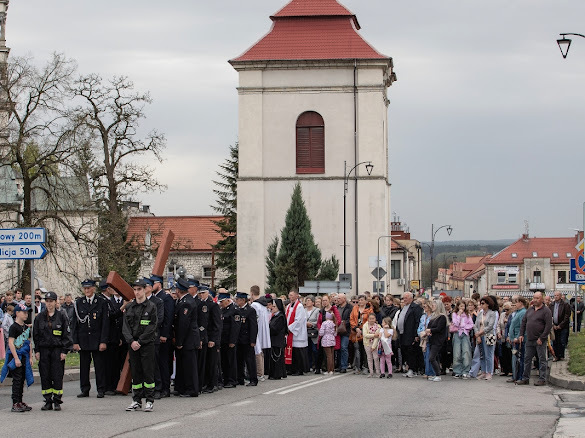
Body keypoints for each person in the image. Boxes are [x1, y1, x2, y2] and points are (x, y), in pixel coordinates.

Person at [33, 291, 72, 411]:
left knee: (57, 375)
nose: (49, 304)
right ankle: (48, 400)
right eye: (47, 301)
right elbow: (36, 335)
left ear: (56, 302)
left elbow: (66, 335)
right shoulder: (39, 317)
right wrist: (37, 351)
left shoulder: (61, 316)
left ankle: (57, 400)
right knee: (45, 375)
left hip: (57, 350)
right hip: (44, 350)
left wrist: (64, 351)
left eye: (51, 301)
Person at [123, 279, 158, 412]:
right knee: (136, 372)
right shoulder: (129, 307)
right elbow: (125, 327)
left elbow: (152, 326)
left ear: (144, 290)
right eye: (135, 289)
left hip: (146, 344)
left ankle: (149, 400)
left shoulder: (151, 306)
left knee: (148, 372)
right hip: (133, 344)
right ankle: (136, 400)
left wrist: (140, 341)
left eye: (139, 289)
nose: (137, 292)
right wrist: (131, 341)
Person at [71, 279, 110, 398]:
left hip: (97, 339)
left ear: (94, 288)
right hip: (83, 340)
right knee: (84, 366)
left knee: (99, 366)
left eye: (89, 288)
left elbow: (105, 324)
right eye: (85, 288)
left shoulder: (101, 302)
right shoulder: (79, 303)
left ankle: (101, 389)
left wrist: (103, 341)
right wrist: (75, 341)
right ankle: (84, 389)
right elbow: (74, 324)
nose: (87, 290)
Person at [1, 304, 33, 412]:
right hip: (15, 355)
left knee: (22, 378)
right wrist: (16, 358)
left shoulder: (26, 327)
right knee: (17, 379)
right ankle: (15, 402)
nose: (26, 314)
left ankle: (20, 400)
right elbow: (11, 343)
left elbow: (28, 343)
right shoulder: (13, 327)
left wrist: (30, 357)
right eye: (24, 312)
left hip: (24, 356)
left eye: (27, 313)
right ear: (17, 313)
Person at [517, 292, 553, 386]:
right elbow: (524, 322)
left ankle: (542, 379)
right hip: (529, 339)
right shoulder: (530, 309)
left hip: (540, 339)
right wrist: (521, 334)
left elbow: (548, 326)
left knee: (542, 359)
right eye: (534, 298)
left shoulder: (546, 311)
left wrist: (542, 337)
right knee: (527, 359)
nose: (535, 300)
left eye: (537, 298)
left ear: (542, 299)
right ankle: (525, 378)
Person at [173, 278, 200, 397]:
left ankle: (192, 389)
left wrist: (179, 341)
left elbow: (183, 324)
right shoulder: (182, 301)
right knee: (183, 364)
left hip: (188, 339)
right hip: (186, 339)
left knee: (189, 365)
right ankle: (182, 387)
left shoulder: (187, 303)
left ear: (178, 290)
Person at [100, 281, 127, 396]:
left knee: (116, 363)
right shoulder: (104, 301)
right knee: (109, 364)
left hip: (117, 337)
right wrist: (123, 307)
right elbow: (111, 317)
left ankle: (116, 385)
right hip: (109, 337)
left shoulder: (108, 301)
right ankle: (109, 386)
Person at [152, 274, 175, 398]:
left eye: (153, 283)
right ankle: (158, 386)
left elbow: (168, 317)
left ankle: (165, 388)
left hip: (164, 336)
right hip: (155, 335)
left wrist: (164, 334)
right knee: (157, 362)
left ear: (159, 284)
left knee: (164, 362)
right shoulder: (154, 298)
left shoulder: (166, 298)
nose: (151, 286)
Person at [197, 286, 222, 394]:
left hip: (211, 337)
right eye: (200, 293)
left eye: (203, 293)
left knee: (212, 362)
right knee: (206, 362)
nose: (201, 295)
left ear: (207, 293)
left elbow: (217, 324)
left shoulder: (213, 305)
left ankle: (213, 384)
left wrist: (213, 339)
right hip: (205, 337)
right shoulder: (200, 304)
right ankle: (206, 383)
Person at [396, 292, 423, 378]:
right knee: (405, 351)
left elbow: (417, 321)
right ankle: (409, 367)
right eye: (403, 298)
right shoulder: (403, 307)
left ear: (411, 298)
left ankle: (413, 369)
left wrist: (416, 334)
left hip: (410, 334)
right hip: (402, 333)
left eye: (406, 298)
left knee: (411, 351)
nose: (404, 300)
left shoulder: (415, 307)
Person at [235, 291, 258, 386]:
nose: (236, 301)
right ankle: (240, 378)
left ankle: (253, 379)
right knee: (239, 360)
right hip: (238, 339)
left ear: (243, 300)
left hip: (247, 339)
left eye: (238, 299)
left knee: (250, 360)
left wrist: (253, 340)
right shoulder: (237, 309)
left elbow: (253, 326)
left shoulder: (250, 310)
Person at [219, 289, 240, 388]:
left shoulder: (234, 310)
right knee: (224, 360)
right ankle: (226, 379)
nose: (221, 304)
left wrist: (232, 341)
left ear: (227, 300)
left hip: (230, 339)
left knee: (231, 360)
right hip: (223, 339)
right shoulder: (223, 309)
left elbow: (235, 327)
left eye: (222, 302)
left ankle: (232, 380)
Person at [472, 296, 497, 380]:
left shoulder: (492, 313)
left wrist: (480, 332)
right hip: (480, 336)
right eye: (480, 303)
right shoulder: (480, 313)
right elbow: (475, 325)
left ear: (488, 304)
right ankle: (483, 372)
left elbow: (490, 326)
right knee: (482, 355)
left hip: (488, 336)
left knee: (488, 355)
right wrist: (477, 334)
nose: (481, 305)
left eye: (483, 303)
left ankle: (489, 372)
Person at [250, 285, 271, 381]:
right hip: (263, 329)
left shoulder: (255, 305)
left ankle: (259, 373)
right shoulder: (263, 304)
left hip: (257, 330)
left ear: (252, 293)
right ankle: (261, 372)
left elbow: (254, 319)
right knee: (260, 350)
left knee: (257, 350)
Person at [315, 295, 340, 374]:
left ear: (329, 300)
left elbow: (338, 320)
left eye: (326, 300)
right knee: (328, 354)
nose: (324, 302)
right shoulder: (321, 311)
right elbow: (318, 322)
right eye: (323, 300)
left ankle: (329, 369)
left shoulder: (333, 309)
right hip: (329, 336)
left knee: (329, 355)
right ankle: (326, 368)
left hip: (326, 337)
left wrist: (324, 329)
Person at [285, 289, 308, 376]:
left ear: (296, 296)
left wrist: (289, 328)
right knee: (292, 352)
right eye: (289, 295)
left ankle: (299, 369)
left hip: (297, 333)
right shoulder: (288, 306)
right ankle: (291, 369)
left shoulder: (299, 306)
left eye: (292, 295)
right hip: (290, 333)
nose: (290, 297)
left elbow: (299, 320)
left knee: (298, 352)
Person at [425, 300, 449, 382]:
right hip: (432, 339)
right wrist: (428, 331)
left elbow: (439, 328)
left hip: (438, 340)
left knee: (431, 357)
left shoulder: (442, 317)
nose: (432, 307)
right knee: (435, 357)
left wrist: (430, 330)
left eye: (434, 305)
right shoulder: (433, 317)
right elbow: (429, 326)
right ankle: (436, 373)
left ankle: (438, 375)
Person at [450, 300, 473, 379]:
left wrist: (465, 327)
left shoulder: (467, 314)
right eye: (461, 306)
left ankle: (465, 371)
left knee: (466, 352)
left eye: (463, 306)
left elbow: (471, 324)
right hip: (457, 333)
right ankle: (457, 371)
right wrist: (459, 315)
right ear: (458, 306)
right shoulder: (454, 314)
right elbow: (455, 323)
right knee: (457, 353)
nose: (462, 308)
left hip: (465, 334)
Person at [350, 295, 373, 374]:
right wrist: (356, 328)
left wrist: (363, 329)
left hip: (365, 331)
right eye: (359, 300)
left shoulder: (369, 310)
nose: (360, 302)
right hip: (356, 332)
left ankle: (366, 367)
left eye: (362, 300)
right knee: (357, 349)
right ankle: (357, 367)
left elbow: (370, 320)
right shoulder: (355, 308)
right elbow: (352, 319)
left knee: (365, 350)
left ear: (366, 301)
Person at [508, 296, 528, 383]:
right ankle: (515, 376)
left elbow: (521, 326)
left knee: (520, 358)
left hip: (519, 339)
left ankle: (520, 377)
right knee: (514, 358)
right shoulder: (517, 312)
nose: (515, 304)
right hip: (514, 339)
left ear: (521, 303)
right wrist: (510, 336)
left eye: (516, 302)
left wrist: (518, 336)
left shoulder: (523, 312)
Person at [268, 299, 288, 380]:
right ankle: (273, 374)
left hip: (278, 340)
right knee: (274, 357)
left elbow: (276, 329)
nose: (272, 308)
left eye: (274, 306)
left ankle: (277, 374)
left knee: (277, 357)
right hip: (273, 340)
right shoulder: (275, 316)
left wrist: (268, 327)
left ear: (278, 307)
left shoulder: (280, 317)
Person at [549, 290, 570, 361]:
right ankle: (556, 356)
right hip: (554, 325)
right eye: (555, 295)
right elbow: (549, 315)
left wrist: (560, 325)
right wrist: (553, 325)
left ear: (560, 296)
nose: (556, 297)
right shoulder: (551, 305)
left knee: (562, 341)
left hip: (563, 326)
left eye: (557, 295)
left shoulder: (565, 304)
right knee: (555, 341)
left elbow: (567, 316)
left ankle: (561, 355)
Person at [336, 293, 353, 373]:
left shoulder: (349, 308)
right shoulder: (336, 307)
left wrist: (343, 324)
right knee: (338, 348)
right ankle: (339, 365)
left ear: (344, 299)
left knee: (343, 347)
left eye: (339, 298)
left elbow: (350, 319)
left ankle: (344, 366)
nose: (338, 300)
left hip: (346, 331)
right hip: (337, 331)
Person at [318, 310, 337, 375]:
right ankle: (332, 369)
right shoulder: (334, 323)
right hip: (332, 339)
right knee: (332, 355)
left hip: (326, 340)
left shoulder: (324, 323)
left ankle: (329, 370)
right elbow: (335, 333)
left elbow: (321, 333)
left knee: (328, 356)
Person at [362, 313, 381, 377]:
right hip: (367, 343)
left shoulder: (378, 327)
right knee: (369, 358)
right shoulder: (365, 326)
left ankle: (378, 372)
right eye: (370, 318)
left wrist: (373, 346)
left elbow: (377, 338)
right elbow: (365, 335)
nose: (371, 320)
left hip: (375, 343)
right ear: (368, 319)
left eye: (373, 318)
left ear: (375, 319)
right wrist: (374, 335)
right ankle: (371, 372)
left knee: (376, 357)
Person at [498, 302, 514, 377]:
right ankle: (504, 370)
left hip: (509, 336)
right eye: (505, 309)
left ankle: (510, 370)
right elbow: (498, 324)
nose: (506, 311)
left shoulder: (512, 315)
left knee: (509, 354)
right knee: (502, 354)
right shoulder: (502, 315)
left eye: (507, 309)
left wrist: (507, 321)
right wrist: (498, 332)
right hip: (502, 336)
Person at [304, 295, 319, 371]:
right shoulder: (303, 310)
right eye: (306, 300)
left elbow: (318, 320)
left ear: (313, 302)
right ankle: (309, 366)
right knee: (307, 350)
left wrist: (312, 324)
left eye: (309, 300)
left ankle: (316, 365)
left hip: (313, 332)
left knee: (314, 350)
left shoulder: (317, 310)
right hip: (305, 332)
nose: (307, 302)